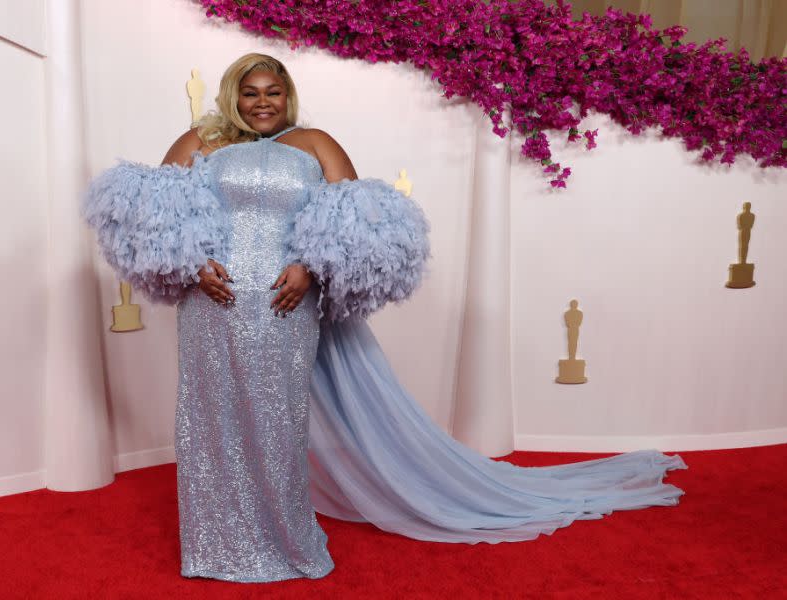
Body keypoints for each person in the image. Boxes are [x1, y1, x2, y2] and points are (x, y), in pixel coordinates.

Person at [82, 52, 687, 584]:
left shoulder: (314, 143)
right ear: (232, 96)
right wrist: (193, 264)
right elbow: (152, 221)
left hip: (284, 301)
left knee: (276, 421)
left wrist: (311, 269)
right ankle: (216, 547)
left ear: (286, 97)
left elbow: (359, 223)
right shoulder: (198, 144)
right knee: (210, 420)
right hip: (210, 306)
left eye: (273, 92)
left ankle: (285, 543)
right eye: (250, 91)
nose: (262, 102)